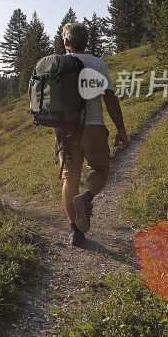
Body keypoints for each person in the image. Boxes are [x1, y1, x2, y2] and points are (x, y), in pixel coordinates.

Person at [58, 22, 128, 246]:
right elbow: (109, 98)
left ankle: (75, 233)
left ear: (66, 42)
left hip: (66, 131)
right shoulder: (98, 63)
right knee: (100, 169)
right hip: (94, 126)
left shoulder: (57, 63)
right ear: (86, 42)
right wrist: (121, 129)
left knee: (70, 178)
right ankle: (86, 197)